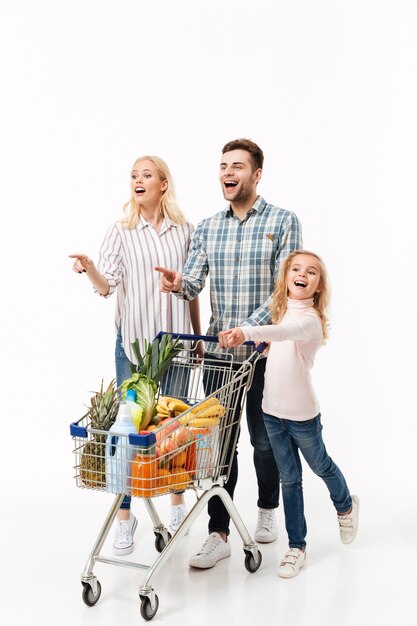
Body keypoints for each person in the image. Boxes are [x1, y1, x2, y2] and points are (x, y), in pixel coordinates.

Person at [156, 138, 303, 569]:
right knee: (220, 443)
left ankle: (266, 509)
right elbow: (194, 283)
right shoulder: (207, 226)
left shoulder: (283, 221)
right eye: (223, 166)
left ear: (256, 175)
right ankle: (218, 532)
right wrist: (175, 282)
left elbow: (285, 289)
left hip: (264, 353)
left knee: (263, 439)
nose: (227, 172)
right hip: (221, 355)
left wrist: (249, 330)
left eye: (237, 166)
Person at [70, 155, 202, 556]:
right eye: (133, 176)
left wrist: (196, 335)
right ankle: (125, 516)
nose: (137, 180)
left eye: (146, 174)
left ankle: (177, 504)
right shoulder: (121, 231)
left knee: (174, 427)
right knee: (128, 433)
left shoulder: (185, 231)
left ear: (163, 184)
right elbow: (107, 286)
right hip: (134, 346)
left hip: (176, 346)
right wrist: (91, 268)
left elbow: (190, 288)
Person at [223, 250, 359, 578]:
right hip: (271, 412)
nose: (302, 274)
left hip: (302, 417)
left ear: (318, 287)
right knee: (290, 479)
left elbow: (284, 334)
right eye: (296, 269)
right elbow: (280, 342)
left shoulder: (309, 320)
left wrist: (245, 332)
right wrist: (265, 346)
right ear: (286, 276)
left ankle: (346, 505)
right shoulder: (282, 312)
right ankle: (297, 547)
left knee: (321, 465)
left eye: (311, 272)